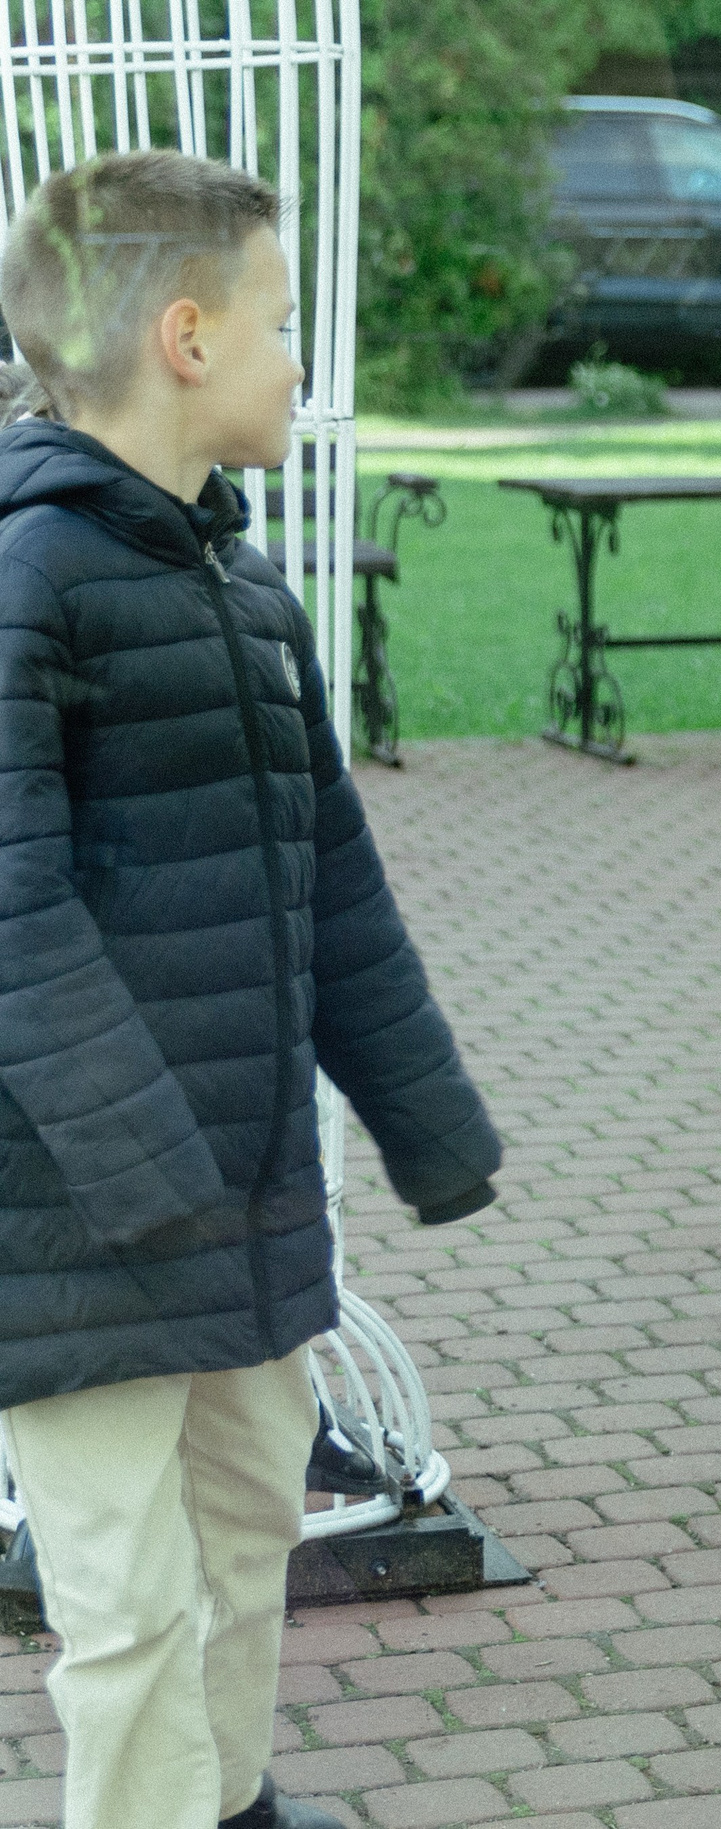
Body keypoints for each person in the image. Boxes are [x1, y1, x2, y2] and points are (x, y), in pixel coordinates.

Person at [0, 152, 502, 1829]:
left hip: (244, 1198)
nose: (302, 362)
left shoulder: (247, 589)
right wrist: (149, 1169)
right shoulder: (29, 583)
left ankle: (224, 1807)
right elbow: (12, 908)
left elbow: (332, 882)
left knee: (242, 1540)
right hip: (77, 1224)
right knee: (128, 1603)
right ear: (188, 336)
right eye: (285, 324)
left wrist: (430, 1121)